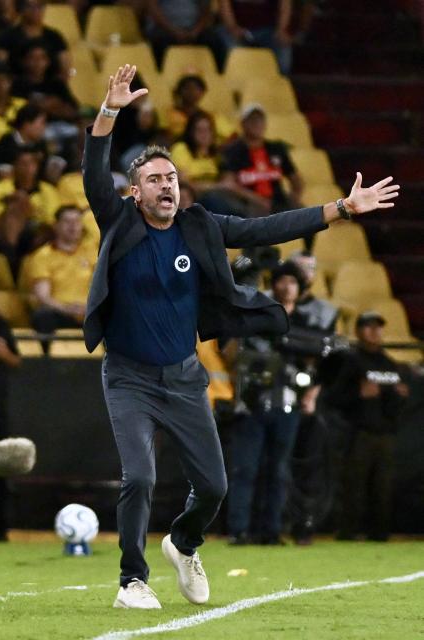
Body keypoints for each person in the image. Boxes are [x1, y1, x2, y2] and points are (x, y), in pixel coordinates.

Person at [82, 63, 399, 609]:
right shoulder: (120, 222)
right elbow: (93, 172)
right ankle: (132, 580)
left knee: (215, 487)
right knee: (139, 477)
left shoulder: (199, 225)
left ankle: (183, 543)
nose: (166, 186)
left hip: (183, 378)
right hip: (129, 378)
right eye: (155, 179)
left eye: (172, 178)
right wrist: (109, 111)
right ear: (135, 192)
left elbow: (267, 227)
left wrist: (342, 209)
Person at [226, 260, 320, 545]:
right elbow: (235, 352)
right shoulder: (257, 315)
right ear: (274, 283)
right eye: (282, 280)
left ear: (300, 287)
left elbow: (316, 362)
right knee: (246, 468)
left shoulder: (306, 323)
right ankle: (240, 529)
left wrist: (311, 394)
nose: (287, 286)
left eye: (293, 281)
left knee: (279, 470)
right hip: (253, 403)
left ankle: (272, 529)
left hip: (287, 404)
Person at [327, 311, 409, 541]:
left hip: (384, 433)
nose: (374, 332)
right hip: (358, 432)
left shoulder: (389, 363)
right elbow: (333, 398)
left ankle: (380, 533)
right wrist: (357, 394)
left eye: (378, 327)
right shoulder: (350, 361)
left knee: (383, 487)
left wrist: (400, 396)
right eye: (368, 327)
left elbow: (394, 404)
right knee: (354, 485)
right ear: (358, 331)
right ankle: (348, 532)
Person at [28, 204, 96, 351]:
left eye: (77, 221)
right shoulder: (43, 255)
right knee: (42, 316)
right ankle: (47, 366)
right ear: (56, 226)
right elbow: (43, 297)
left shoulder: (92, 252)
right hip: (60, 312)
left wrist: (89, 308)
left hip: (90, 313)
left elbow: (105, 287)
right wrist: (67, 309)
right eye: (67, 221)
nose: (73, 226)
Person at [220, 103, 304, 217]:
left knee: (304, 216)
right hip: (248, 204)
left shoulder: (277, 148)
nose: (257, 124)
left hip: (277, 202)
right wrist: (255, 199)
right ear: (243, 124)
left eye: (260, 120)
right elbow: (228, 184)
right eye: (253, 120)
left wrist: (294, 197)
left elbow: (295, 178)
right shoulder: (233, 151)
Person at [0, 0, 70, 79]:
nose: (35, 10)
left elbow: (65, 69)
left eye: (39, 6)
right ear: (21, 9)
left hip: (48, 87)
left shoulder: (55, 37)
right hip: (17, 87)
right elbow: (1, 69)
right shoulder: (7, 37)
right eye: (30, 6)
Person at [218, 0, 294, 75]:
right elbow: (224, 6)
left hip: (269, 30)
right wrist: (232, 27)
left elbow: (285, 6)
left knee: (283, 61)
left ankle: (275, 84)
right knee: (234, 52)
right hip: (236, 27)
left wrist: (281, 30)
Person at [144, 0, 224, 70]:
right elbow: (153, 8)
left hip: (194, 29)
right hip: (165, 29)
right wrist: (174, 31)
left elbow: (206, 9)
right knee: (160, 43)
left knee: (214, 41)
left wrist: (195, 31)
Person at [0, 312, 21, 541]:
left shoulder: (0, 322)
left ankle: (0, 529)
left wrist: (4, 354)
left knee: (0, 468)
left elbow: (16, 360)